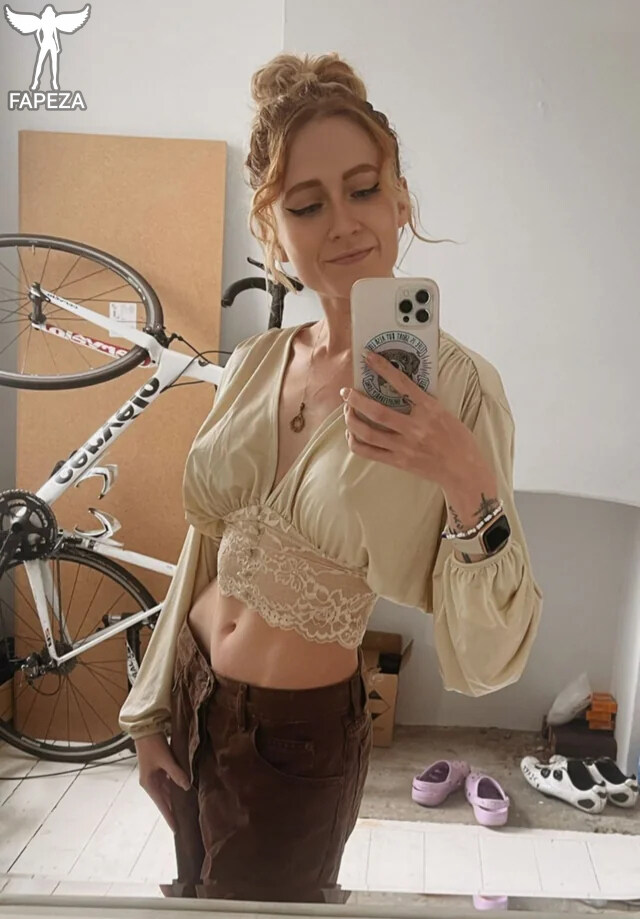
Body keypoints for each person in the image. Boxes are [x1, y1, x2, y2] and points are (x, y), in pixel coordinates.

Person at [118, 51, 543, 904]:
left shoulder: (459, 390)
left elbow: (494, 657)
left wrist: (465, 477)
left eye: (364, 189)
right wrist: (151, 708)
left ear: (400, 200)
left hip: (294, 737)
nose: (344, 223)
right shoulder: (257, 361)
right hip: (193, 692)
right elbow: (205, 546)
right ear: (274, 229)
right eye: (308, 205)